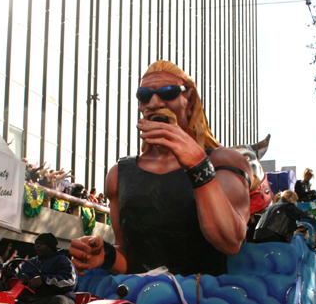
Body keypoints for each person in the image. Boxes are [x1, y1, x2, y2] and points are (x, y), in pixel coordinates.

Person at [69, 60, 252, 277]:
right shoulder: (119, 174)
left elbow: (230, 241)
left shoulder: (225, 161)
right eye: (144, 96)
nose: (154, 103)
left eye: (168, 92)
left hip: (206, 301)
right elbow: (130, 257)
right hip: (143, 301)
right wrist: (105, 255)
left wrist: (197, 164)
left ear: (190, 99)